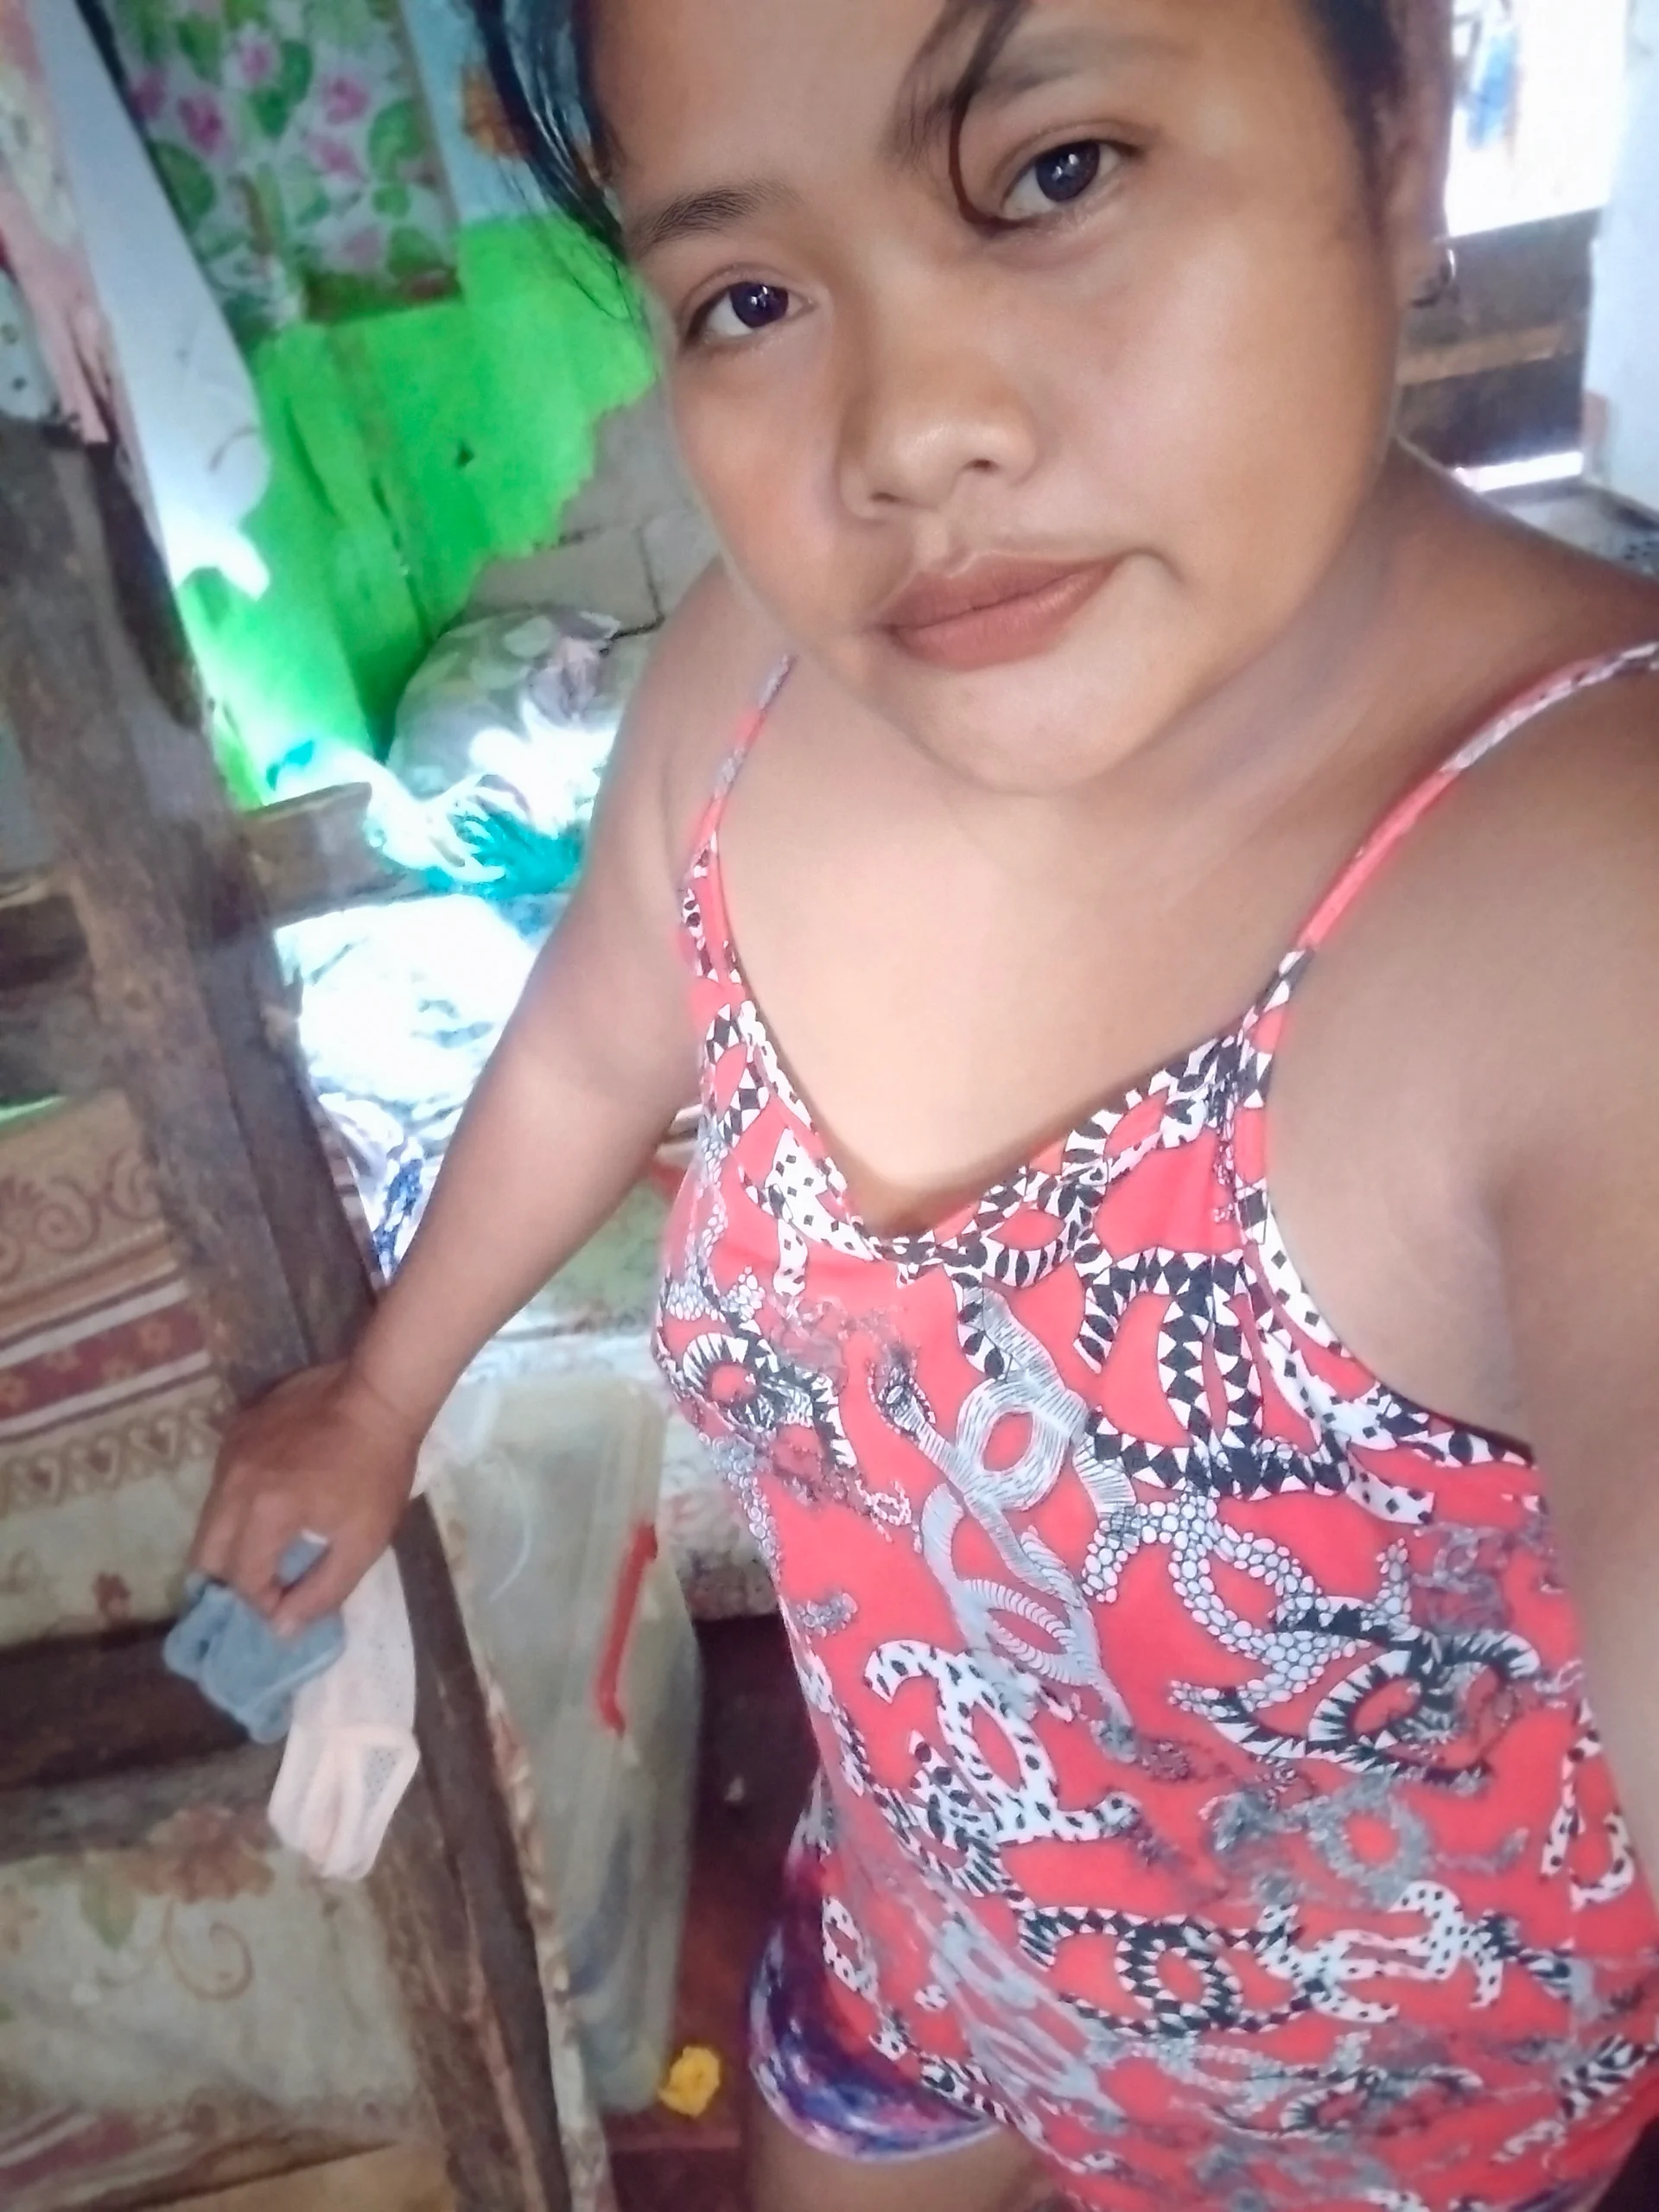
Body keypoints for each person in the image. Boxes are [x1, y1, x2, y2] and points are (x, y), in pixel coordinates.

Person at [191, 1, 1659, 2205]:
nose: (906, 433)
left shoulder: (1595, 902)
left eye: (1057, 173)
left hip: (1375, 2121)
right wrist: (382, 1393)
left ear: (1396, 129)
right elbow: (596, 1036)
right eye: (748, 297)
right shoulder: (746, 690)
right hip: (918, 1936)